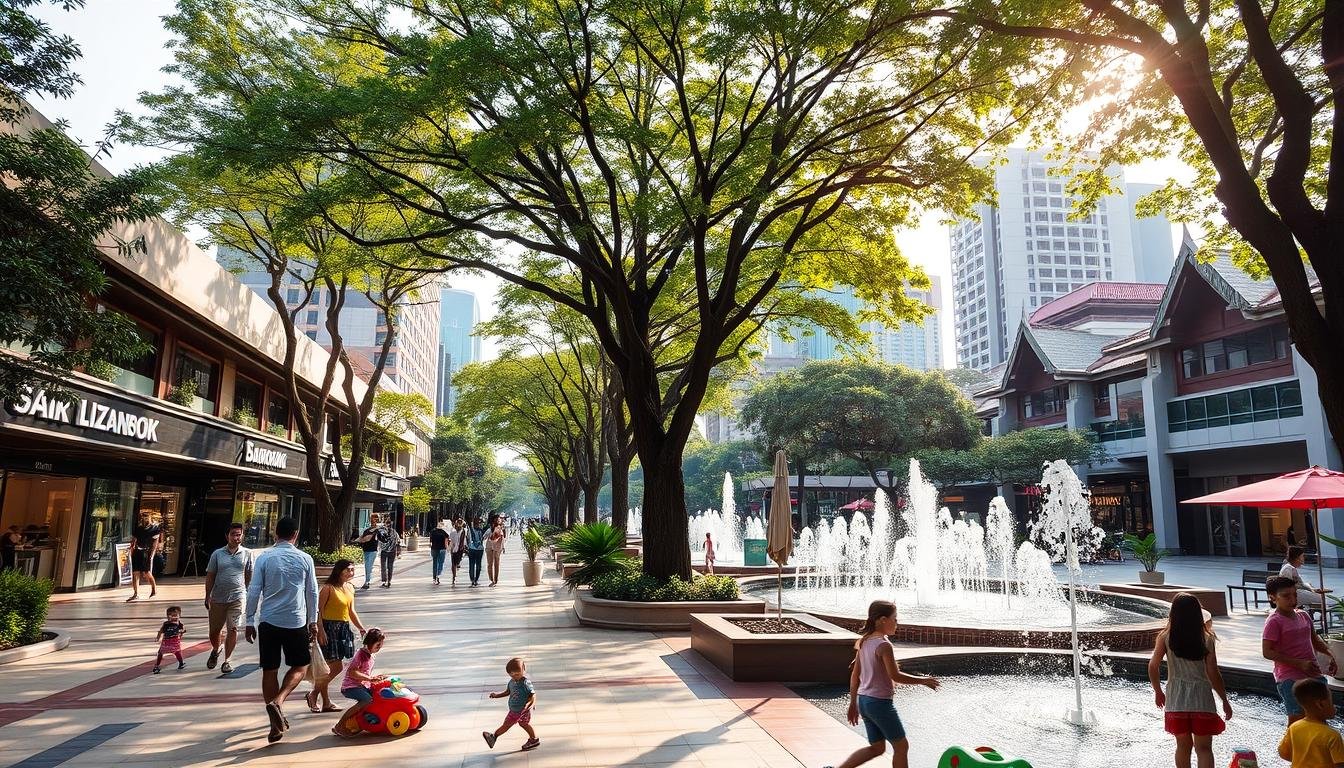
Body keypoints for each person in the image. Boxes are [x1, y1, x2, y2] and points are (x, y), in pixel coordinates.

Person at [823, 600, 939, 768]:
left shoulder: (864, 641)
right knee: (901, 746)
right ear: (883, 620)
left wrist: (853, 703)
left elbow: (855, 676)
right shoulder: (884, 645)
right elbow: (895, 675)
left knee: (877, 748)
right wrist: (923, 681)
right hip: (879, 704)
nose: (897, 622)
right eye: (895, 618)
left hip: (864, 701)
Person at [244, 516, 320, 744]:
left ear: (275, 534)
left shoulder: (264, 557)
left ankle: (274, 726)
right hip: (295, 621)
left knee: (270, 670)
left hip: (268, 621)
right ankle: (279, 700)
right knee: (300, 665)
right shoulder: (305, 558)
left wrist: (249, 619)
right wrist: (313, 621)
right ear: (295, 534)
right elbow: (312, 592)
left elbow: (254, 589)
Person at [1148, 593, 1232, 768]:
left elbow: (1153, 666)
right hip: (1202, 698)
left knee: (1183, 747)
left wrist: (1158, 691)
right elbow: (1213, 672)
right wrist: (1224, 699)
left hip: (1176, 698)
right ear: (1198, 614)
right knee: (1204, 749)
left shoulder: (1165, 637)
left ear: (1173, 613)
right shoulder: (1207, 638)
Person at [1264, 575, 1339, 726]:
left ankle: (1316, 747)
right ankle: (1291, 748)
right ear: (1273, 598)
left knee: (1323, 713)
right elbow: (1267, 652)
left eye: (1295, 595)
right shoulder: (1274, 621)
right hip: (1289, 677)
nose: (1293, 600)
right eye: (1286, 596)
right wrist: (1299, 664)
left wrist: (1330, 656)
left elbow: (1315, 640)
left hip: (1313, 672)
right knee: (1297, 718)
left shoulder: (1303, 615)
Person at [309, 559, 366, 714]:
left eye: (353, 570)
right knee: (335, 666)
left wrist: (361, 628)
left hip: (343, 628)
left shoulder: (349, 587)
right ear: (339, 570)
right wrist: (320, 630)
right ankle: (314, 694)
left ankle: (325, 702)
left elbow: (351, 611)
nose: (351, 572)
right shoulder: (328, 588)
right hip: (328, 628)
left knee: (331, 667)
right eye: (348, 569)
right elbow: (318, 611)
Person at [204, 522, 254, 675]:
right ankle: (215, 648)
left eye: (239, 534)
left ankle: (227, 660)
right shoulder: (217, 554)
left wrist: (245, 590)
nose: (236, 538)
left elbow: (249, 573)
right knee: (214, 632)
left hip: (238, 597)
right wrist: (207, 595)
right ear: (227, 536)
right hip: (218, 598)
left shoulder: (247, 553)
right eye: (233, 534)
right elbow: (210, 575)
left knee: (233, 628)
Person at [332, 627, 387, 738]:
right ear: (369, 643)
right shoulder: (360, 654)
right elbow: (352, 672)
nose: (379, 648)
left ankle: (360, 722)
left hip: (360, 685)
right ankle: (340, 725)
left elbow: (364, 672)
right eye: (377, 645)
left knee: (375, 697)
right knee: (367, 700)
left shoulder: (370, 655)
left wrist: (373, 678)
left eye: (381, 646)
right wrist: (370, 679)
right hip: (350, 687)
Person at [1278, 678, 1344, 767]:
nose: (1334, 706)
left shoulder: (1294, 727)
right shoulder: (1332, 736)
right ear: (1320, 704)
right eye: (1331, 702)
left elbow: (1284, 754)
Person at [482, 657, 540, 751]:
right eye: (511, 675)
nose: (514, 676)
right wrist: (496, 695)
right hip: (515, 709)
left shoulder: (526, 683)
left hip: (520, 710)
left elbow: (533, 694)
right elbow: (507, 692)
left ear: (523, 669)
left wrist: (531, 703)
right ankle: (534, 740)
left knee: (507, 724)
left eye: (517, 674)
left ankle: (493, 737)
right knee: (524, 724)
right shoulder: (511, 682)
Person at [1282, 546, 1329, 617]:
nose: (1303, 558)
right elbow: (1291, 586)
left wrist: (1311, 589)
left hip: (1296, 593)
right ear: (1297, 558)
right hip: (1294, 594)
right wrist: (1309, 589)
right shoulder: (1289, 569)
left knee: (1320, 597)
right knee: (1326, 600)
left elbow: (1301, 583)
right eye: (1302, 556)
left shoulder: (1290, 568)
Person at [127, 511, 162, 602]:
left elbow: (155, 543)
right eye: (143, 517)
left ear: (150, 518)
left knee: (147, 573)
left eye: (146, 517)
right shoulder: (139, 528)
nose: (145, 519)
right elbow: (134, 540)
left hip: (146, 552)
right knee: (135, 573)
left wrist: (152, 554)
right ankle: (136, 593)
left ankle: (154, 590)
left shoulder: (155, 528)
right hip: (137, 551)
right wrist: (131, 549)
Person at [153, 605, 187, 674]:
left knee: (177, 652)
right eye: (170, 615)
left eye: (175, 615)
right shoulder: (166, 624)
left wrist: (182, 632)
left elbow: (182, 630)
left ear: (179, 616)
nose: (172, 617)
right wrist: (158, 637)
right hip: (166, 641)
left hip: (174, 641)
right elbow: (161, 631)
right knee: (161, 653)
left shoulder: (179, 624)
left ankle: (181, 663)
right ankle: (157, 665)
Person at [356, 514, 381, 590]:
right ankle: (367, 581)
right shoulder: (367, 529)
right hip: (366, 549)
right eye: (371, 518)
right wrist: (355, 541)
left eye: (374, 518)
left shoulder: (378, 530)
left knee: (368, 566)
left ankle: (367, 582)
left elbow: (367, 539)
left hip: (372, 550)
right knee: (367, 566)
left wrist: (362, 540)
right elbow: (361, 538)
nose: (372, 520)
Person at [376, 516, 401, 589]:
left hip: (384, 551)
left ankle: (384, 581)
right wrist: (398, 552)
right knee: (390, 566)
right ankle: (389, 581)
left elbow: (379, 540)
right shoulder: (394, 532)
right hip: (392, 551)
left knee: (383, 566)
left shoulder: (382, 531)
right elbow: (398, 541)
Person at [466, 515, 486, 587]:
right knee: (472, 565)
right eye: (477, 523)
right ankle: (473, 580)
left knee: (478, 566)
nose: (478, 524)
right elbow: (467, 539)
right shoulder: (470, 530)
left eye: (479, 523)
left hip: (479, 549)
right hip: (472, 549)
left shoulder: (481, 530)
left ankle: (476, 580)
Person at [486, 513, 506, 587]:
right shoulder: (489, 528)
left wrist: (503, 547)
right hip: (489, 547)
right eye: (497, 519)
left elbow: (504, 538)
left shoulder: (502, 528)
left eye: (499, 519)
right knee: (489, 564)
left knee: (496, 564)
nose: (498, 520)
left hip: (498, 547)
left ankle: (495, 580)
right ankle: (491, 579)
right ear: (493, 520)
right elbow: (484, 536)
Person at [429, 520, 450, 586]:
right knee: (441, 563)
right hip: (442, 549)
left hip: (434, 548)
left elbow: (430, 541)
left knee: (435, 563)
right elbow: (447, 539)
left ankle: (434, 577)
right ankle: (438, 575)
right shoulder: (444, 532)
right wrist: (448, 548)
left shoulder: (432, 531)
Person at [448, 517, 468, 587]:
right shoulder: (452, 533)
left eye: (460, 524)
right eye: (457, 524)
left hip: (461, 550)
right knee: (453, 564)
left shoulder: (464, 532)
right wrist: (450, 548)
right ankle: (454, 577)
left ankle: (456, 570)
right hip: (453, 550)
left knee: (457, 563)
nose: (458, 526)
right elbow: (450, 541)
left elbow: (466, 541)